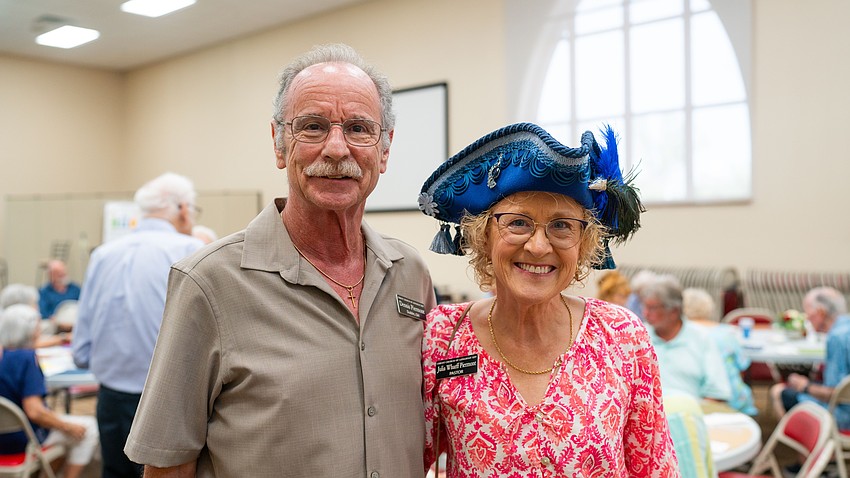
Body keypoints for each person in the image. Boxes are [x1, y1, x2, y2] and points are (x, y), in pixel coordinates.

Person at [124, 43, 436, 477]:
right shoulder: (209, 284)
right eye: (312, 127)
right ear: (278, 143)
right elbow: (168, 465)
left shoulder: (410, 273)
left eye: (359, 129)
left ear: (384, 150)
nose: (336, 149)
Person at [419, 123, 678, 475]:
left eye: (561, 225)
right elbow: (406, 456)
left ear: (584, 243)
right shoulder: (443, 336)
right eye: (518, 223)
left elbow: (654, 468)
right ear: (483, 235)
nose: (539, 246)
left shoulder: (621, 336)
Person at [72, 172, 203, 478]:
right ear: (183, 209)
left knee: (114, 471)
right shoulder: (190, 250)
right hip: (165, 400)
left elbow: (81, 346)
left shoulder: (103, 255)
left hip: (110, 397)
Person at [0, 304, 99, 478]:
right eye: (38, 328)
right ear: (30, 331)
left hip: (5, 434)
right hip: (21, 440)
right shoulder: (26, 359)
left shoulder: (5, 355)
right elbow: (35, 411)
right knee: (89, 429)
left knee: (62, 431)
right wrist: (68, 427)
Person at [641, 275, 731, 403]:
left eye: (652, 308)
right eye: (644, 307)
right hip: (646, 411)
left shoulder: (701, 338)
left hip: (691, 410)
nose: (645, 313)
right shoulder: (638, 336)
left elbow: (717, 392)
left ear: (674, 311)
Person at [769, 286, 850, 428]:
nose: (808, 320)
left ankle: (805, 440)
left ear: (821, 312)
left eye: (809, 315)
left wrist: (805, 386)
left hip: (842, 414)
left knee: (778, 392)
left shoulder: (836, 338)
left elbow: (837, 393)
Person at [683, 287, 758, 415]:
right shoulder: (727, 332)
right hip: (736, 399)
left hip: (698, 400)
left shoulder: (683, 335)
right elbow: (742, 365)